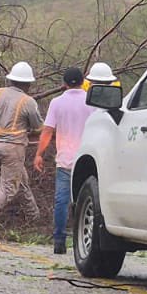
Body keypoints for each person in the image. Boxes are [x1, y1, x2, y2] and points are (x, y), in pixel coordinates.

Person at [0, 61, 43, 223]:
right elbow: (39, 128)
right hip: (13, 150)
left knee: (21, 181)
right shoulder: (27, 101)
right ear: (27, 84)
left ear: (11, 80)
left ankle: (34, 217)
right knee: (9, 189)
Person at [34, 66, 89, 254]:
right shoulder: (92, 101)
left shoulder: (57, 103)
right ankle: (84, 241)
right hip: (87, 162)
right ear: (83, 81)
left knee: (61, 201)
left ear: (63, 84)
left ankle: (59, 241)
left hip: (65, 160)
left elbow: (48, 130)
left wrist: (39, 154)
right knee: (86, 202)